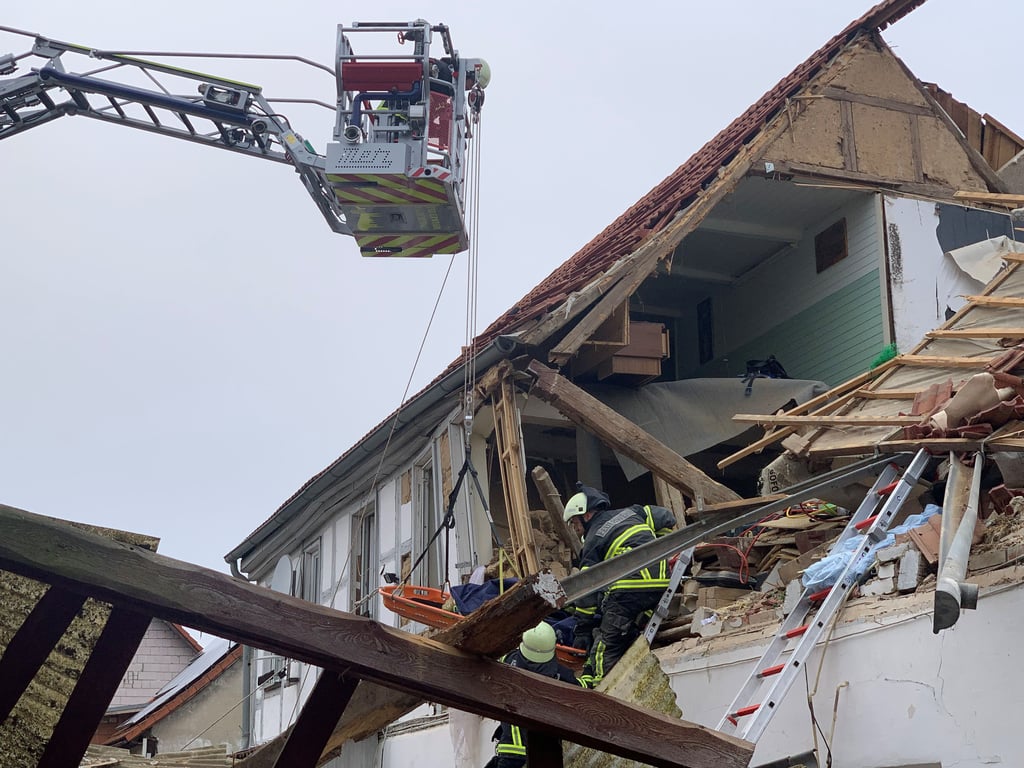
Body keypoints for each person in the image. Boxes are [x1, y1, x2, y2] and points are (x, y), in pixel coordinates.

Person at [563, 484, 672, 688]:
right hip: (659, 583)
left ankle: (599, 687)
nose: (575, 529)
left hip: (630, 588)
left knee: (605, 642)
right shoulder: (632, 511)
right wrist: (661, 547)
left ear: (586, 516)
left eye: (574, 522)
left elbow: (587, 591)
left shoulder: (593, 541)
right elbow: (666, 517)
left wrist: (582, 631)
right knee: (623, 625)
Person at [486, 622, 582, 768]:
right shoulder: (557, 676)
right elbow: (582, 688)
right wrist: (589, 671)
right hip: (536, 752)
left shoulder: (508, 661)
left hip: (509, 750)